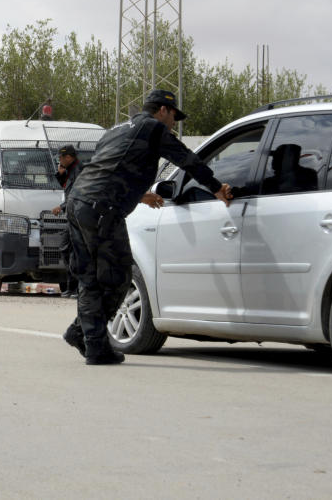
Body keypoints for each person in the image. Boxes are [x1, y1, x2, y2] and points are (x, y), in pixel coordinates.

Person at [62, 89, 233, 365]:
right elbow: (186, 159)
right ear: (163, 110)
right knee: (117, 278)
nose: (174, 124)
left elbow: (106, 170)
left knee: (89, 277)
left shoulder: (115, 130)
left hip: (79, 204)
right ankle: (91, 342)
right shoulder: (151, 127)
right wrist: (216, 188)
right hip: (102, 209)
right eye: (174, 117)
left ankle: (84, 335)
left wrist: (141, 195)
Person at [51, 145, 83, 298]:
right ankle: (71, 288)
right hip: (72, 216)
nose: (59, 160)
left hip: (78, 217)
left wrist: (61, 206)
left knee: (74, 252)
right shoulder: (71, 170)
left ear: (69, 157)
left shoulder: (79, 171)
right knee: (66, 250)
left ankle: (75, 289)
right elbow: (67, 187)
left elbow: (77, 195)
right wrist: (60, 174)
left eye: (61, 158)